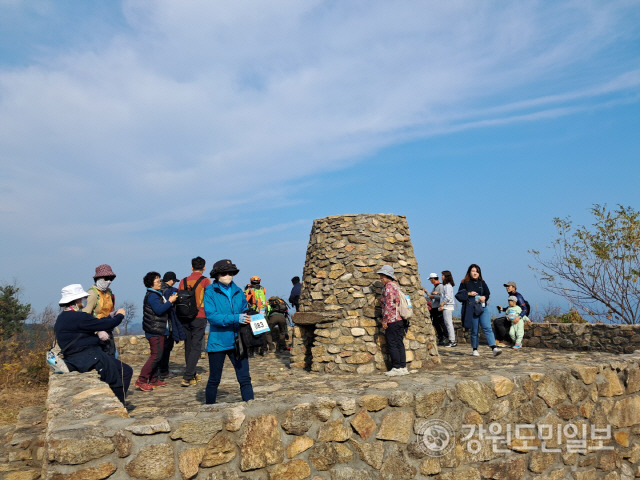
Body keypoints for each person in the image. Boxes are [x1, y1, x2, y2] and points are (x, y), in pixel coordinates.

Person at [54, 284, 132, 404]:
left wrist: (111, 316)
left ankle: (117, 403)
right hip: (89, 356)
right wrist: (120, 316)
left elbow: (95, 323)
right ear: (76, 300)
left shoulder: (63, 317)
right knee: (121, 374)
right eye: (81, 299)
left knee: (123, 371)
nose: (83, 301)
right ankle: (119, 405)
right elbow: (104, 325)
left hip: (76, 356)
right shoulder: (78, 317)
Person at [203, 259, 254, 404]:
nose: (228, 275)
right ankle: (209, 410)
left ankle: (251, 408)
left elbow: (245, 309)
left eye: (231, 272)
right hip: (218, 342)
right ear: (217, 275)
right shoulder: (210, 292)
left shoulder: (238, 291)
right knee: (214, 379)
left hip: (238, 341)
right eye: (224, 272)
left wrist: (253, 315)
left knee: (245, 379)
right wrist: (235, 318)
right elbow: (212, 317)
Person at [135, 272, 178, 391]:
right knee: (156, 356)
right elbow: (159, 310)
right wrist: (170, 301)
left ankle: (153, 379)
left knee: (158, 356)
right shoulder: (153, 296)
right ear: (151, 283)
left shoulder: (156, 294)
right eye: (158, 281)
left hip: (158, 329)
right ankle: (142, 380)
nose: (160, 283)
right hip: (155, 330)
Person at [455, 264, 502, 357]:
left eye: (477, 271)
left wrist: (484, 297)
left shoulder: (482, 283)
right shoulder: (464, 282)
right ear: (469, 272)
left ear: (479, 273)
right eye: (473, 271)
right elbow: (459, 295)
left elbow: (487, 293)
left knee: (487, 327)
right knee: (474, 330)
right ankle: (475, 349)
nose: (475, 273)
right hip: (471, 308)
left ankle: (494, 348)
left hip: (482, 307)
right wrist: (469, 293)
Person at [178, 256, 211, 387]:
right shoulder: (205, 281)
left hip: (184, 316)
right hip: (200, 315)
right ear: (204, 268)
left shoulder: (183, 281)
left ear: (191, 267)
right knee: (196, 346)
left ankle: (191, 374)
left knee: (188, 345)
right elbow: (209, 298)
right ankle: (187, 376)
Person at [377, 265, 412, 376]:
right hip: (399, 319)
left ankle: (396, 367)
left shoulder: (388, 287)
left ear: (387, 276)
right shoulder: (396, 286)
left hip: (392, 320)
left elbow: (389, 305)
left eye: (382, 276)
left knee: (392, 343)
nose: (380, 278)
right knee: (399, 343)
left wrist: (385, 320)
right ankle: (402, 367)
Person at [82, 264, 118, 356]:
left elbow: (109, 310)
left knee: (113, 356)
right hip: (97, 334)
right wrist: (97, 331)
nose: (109, 281)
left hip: (108, 330)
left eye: (111, 279)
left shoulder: (109, 293)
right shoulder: (92, 294)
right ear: (98, 278)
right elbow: (84, 316)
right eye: (106, 278)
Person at [157, 271, 186, 380]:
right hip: (167, 324)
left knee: (160, 349)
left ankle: (160, 370)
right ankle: (163, 371)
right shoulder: (170, 291)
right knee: (166, 348)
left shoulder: (158, 290)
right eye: (174, 281)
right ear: (171, 280)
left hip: (159, 324)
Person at [493, 281, 530, 346]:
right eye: (506, 287)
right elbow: (512, 308)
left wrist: (519, 317)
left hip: (517, 317)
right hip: (512, 316)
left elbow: (525, 309)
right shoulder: (512, 295)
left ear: (514, 288)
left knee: (498, 322)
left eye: (508, 286)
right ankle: (500, 340)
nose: (507, 288)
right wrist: (503, 309)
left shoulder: (518, 296)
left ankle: (507, 341)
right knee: (496, 321)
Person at [244, 275, 268, 356]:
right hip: (262, 312)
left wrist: (246, 289)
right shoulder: (263, 289)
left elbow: (245, 299)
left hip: (254, 312)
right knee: (263, 331)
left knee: (252, 331)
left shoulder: (250, 290)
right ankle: (264, 349)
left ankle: (253, 351)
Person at [426, 273, 446, 345]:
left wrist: (433, 297)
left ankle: (443, 337)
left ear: (433, 279)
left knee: (440, 323)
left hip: (438, 307)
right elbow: (432, 296)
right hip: (434, 307)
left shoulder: (440, 286)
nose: (430, 281)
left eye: (430, 279)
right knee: (436, 323)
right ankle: (441, 337)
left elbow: (442, 297)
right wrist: (427, 293)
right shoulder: (435, 286)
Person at [439, 270, 457, 347]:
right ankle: (452, 340)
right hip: (447, 306)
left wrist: (442, 304)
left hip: (447, 307)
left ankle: (452, 341)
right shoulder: (446, 286)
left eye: (443, 275)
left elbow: (448, 297)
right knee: (448, 323)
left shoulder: (448, 286)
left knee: (448, 323)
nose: (441, 277)